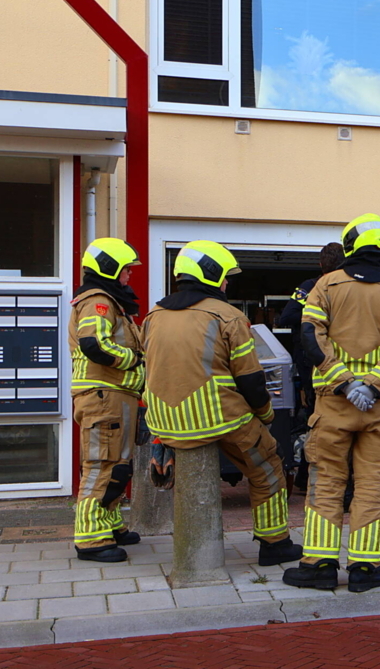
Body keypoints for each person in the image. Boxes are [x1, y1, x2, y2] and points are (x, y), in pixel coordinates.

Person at [142, 240, 302, 567]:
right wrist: (265, 414)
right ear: (211, 274)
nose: (227, 282)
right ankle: (275, 543)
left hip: (164, 422)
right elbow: (251, 379)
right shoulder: (228, 316)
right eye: (225, 275)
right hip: (217, 417)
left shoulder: (153, 315)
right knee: (269, 465)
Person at [282, 214, 380, 593]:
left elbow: (311, 336)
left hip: (333, 403)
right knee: (373, 485)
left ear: (350, 244)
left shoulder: (326, 284)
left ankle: (319, 566)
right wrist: (374, 386)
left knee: (326, 481)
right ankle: (365, 569)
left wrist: (344, 383)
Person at [69, 238, 145, 563]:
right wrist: (134, 359)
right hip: (103, 396)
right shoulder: (98, 301)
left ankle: (110, 525)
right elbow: (94, 344)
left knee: (118, 466)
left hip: (115, 395)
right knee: (101, 464)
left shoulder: (113, 303)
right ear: (109, 268)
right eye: (126, 268)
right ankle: (90, 539)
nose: (129, 274)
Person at [276, 242, 345, 490]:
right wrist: (317, 314)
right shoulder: (310, 287)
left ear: (321, 263)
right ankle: (307, 476)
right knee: (318, 419)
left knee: (321, 420)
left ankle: (310, 475)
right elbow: (287, 317)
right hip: (312, 364)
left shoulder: (343, 288)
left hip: (331, 364)